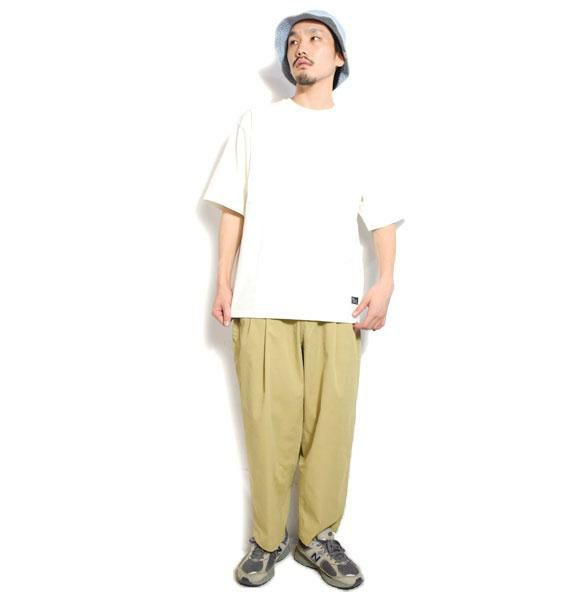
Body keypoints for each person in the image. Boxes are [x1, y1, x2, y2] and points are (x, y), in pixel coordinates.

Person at [202, 9, 401, 590]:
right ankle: (267, 540)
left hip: (338, 305)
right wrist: (223, 281)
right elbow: (233, 206)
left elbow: (382, 215)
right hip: (262, 299)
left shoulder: (361, 131)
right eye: (292, 41)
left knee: (330, 430)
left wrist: (386, 281)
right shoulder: (256, 123)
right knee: (268, 428)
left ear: (339, 57)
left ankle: (318, 537)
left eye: (315, 37)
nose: (301, 47)